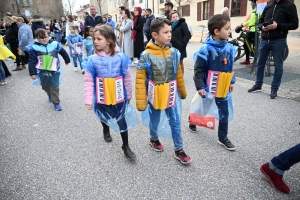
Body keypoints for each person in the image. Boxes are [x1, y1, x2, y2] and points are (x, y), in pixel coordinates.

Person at [135, 17, 191, 165]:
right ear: (154, 35)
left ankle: (179, 149)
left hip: (171, 93)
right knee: (155, 119)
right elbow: (140, 79)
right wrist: (141, 101)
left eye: (170, 31)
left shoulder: (174, 52)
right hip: (155, 94)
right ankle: (153, 138)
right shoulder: (146, 55)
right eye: (165, 32)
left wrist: (183, 91)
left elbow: (178, 72)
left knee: (175, 120)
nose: (169, 35)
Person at [82, 24, 137, 160]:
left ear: (109, 41)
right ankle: (105, 128)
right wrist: (88, 99)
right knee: (103, 116)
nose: (95, 41)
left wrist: (129, 94)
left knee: (121, 120)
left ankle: (126, 145)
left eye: (98, 38)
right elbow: (89, 81)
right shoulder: (92, 60)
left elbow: (127, 78)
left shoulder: (121, 58)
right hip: (101, 96)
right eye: (94, 38)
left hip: (119, 96)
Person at [190, 14, 236, 151]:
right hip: (208, 86)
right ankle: (192, 119)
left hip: (223, 87)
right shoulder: (206, 50)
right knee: (203, 107)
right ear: (216, 31)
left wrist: (231, 81)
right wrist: (200, 86)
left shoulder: (229, 48)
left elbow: (230, 66)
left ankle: (223, 137)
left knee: (224, 112)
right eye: (227, 28)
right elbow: (198, 70)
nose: (230, 31)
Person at [248, 0, 298, 99]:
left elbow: (295, 24)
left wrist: (277, 26)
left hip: (279, 40)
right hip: (265, 39)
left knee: (278, 67)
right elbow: (260, 22)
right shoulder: (269, 5)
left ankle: (274, 88)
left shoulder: (290, 6)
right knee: (260, 63)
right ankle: (258, 85)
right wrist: (262, 27)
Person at [26, 28, 70, 111]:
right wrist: (33, 73)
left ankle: (56, 103)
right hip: (42, 70)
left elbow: (62, 52)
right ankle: (49, 94)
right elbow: (32, 61)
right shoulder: (34, 48)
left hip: (54, 70)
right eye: (41, 38)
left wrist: (67, 60)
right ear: (36, 38)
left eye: (45, 37)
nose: (44, 40)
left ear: (48, 36)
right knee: (45, 86)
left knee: (54, 86)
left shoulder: (54, 44)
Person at [235, 0, 259, 67]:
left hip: (256, 31)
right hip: (251, 30)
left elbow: (260, 20)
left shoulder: (259, 10)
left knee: (255, 47)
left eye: (252, 2)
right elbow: (250, 21)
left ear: (255, 3)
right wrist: (241, 25)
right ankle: (247, 60)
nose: (251, 4)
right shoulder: (254, 11)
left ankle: (255, 62)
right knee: (246, 45)